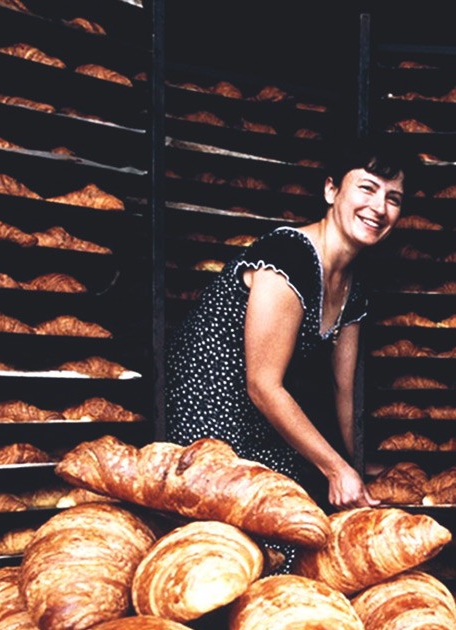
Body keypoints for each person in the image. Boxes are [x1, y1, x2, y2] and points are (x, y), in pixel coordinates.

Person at [166, 142, 409, 536]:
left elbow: (343, 390)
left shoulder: (354, 286)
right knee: (271, 542)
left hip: (265, 424)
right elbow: (262, 384)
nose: (379, 208)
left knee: (310, 527)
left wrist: (357, 465)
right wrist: (335, 469)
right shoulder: (288, 256)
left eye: (393, 198)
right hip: (209, 425)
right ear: (331, 191)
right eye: (367, 188)